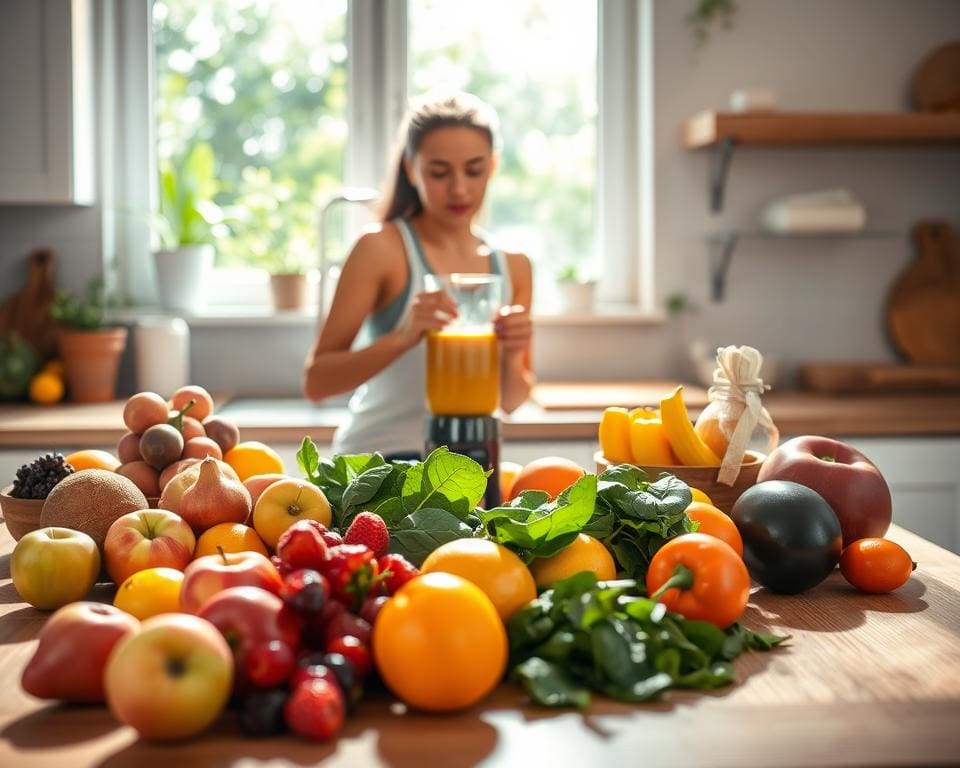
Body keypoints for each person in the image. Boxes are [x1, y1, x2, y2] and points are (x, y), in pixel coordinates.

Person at [302, 91, 535, 458]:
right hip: (377, 461)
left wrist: (511, 354)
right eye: (439, 172)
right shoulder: (381, 249)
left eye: (474, 170)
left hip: (467, 468)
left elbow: (511, 401)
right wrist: (404, 335)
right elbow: (317, 382)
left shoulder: (514, 266)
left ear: (492, 166)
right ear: (411, 169)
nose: (459, 188)